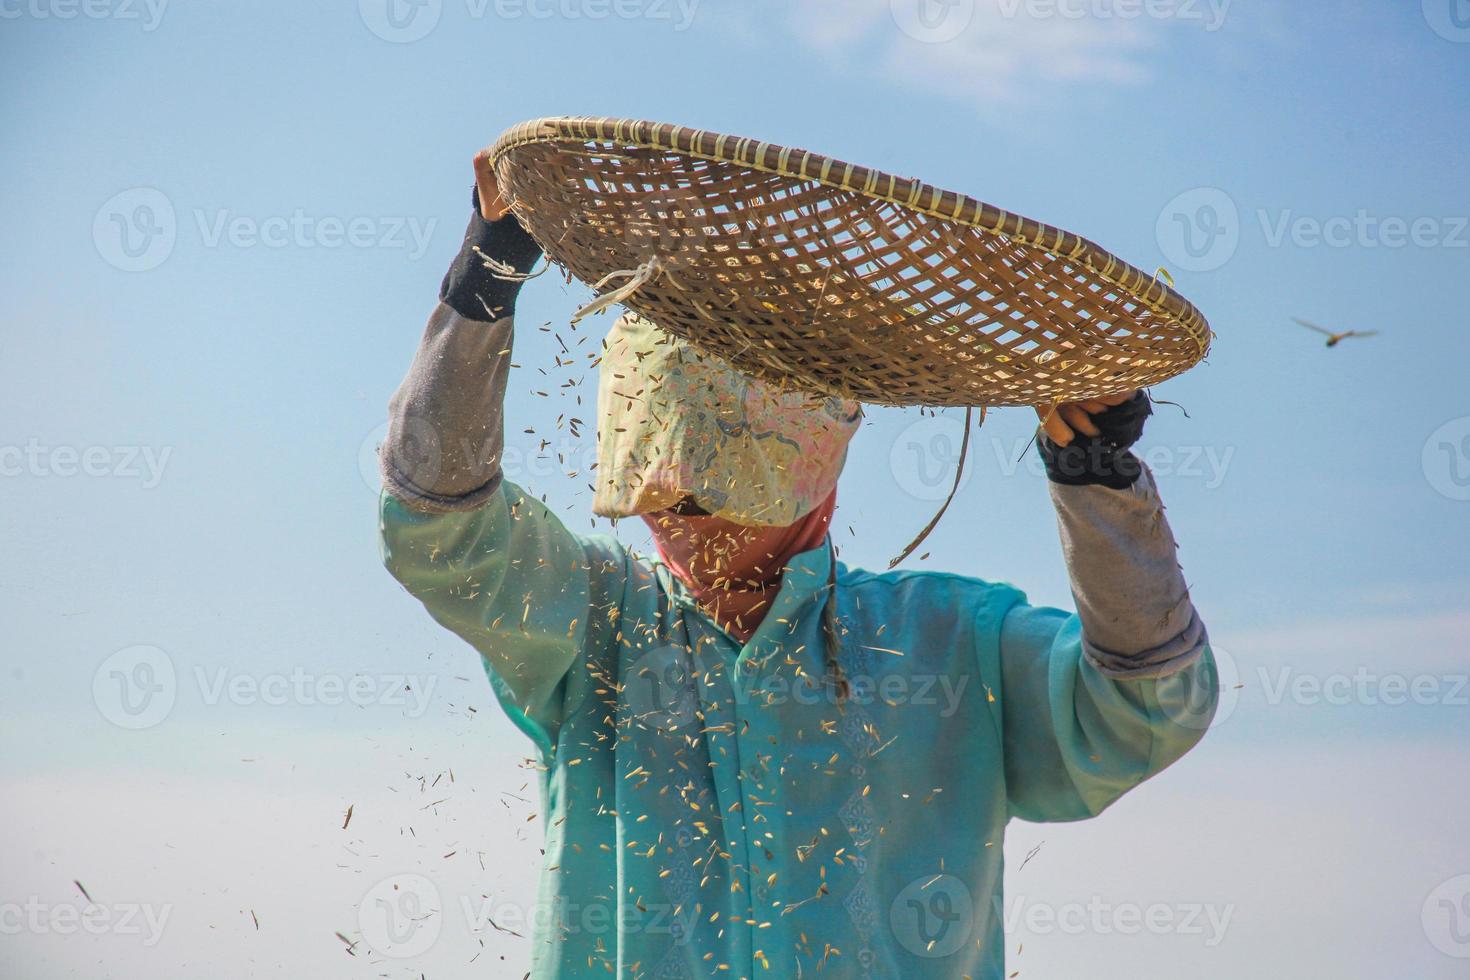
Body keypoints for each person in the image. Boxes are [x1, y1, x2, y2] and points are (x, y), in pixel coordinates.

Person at [376, 148, 1219, 979]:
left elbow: (1147, 709)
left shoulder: (952, 646)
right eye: (661, 499)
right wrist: (482, 284)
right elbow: (437, 525)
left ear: (813, 464)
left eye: (716, 494)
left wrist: (1098, 482)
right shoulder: (595, 625)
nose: (683, 527)